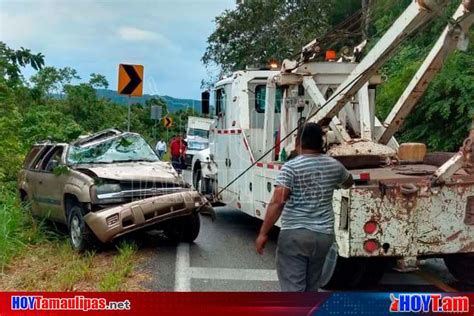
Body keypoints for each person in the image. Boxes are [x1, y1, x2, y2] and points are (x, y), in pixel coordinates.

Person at [255, 122, 353, 292]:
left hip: (296, 235)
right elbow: (348, 183)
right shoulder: (334, 165)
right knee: (311, 288)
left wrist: (263, 233)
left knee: (294, 290)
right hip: (323, 237)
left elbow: (278, 201)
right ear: (321, 142)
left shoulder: (291, 167)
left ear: (298, 141)